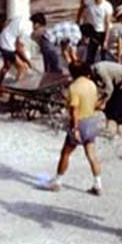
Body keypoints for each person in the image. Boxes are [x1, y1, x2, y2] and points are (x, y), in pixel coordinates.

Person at [44, 61, 104, 195]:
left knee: (65, 153)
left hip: (80, 123)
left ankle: (57, 181)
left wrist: (75, 128)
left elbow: (74, 110)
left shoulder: (74, 87)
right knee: (91, 155)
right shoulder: (92, 84)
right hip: (92, 121)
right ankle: (98, 184)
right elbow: (95, 104)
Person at [91, 60, 122, 137]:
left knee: (120, 105)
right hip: (119, 81)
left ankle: (120, 128)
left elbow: (109, 88)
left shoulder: (100, 71)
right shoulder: (96, 68)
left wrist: (103, 101)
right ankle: (111, 126)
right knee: (111, 104)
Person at [0, 14, 33, 93]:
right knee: (22, 68)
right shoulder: (28, 29)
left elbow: (7, 22)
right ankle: (17, 91)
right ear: (37, 25)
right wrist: (28, 61)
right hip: (8, 46)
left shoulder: (21, 18)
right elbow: (19, 47)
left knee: (6, 66)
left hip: (1, 41)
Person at [77, 0, 113, 64]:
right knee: (90, 53)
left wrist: (106, 40)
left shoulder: (107, 6)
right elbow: (82, 8)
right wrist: (79, 20)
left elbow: (107, 23)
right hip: (93, 31)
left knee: (104, 53)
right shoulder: (90, 1)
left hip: (103, 31)